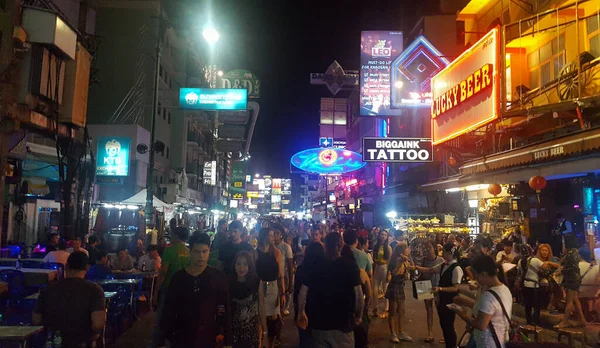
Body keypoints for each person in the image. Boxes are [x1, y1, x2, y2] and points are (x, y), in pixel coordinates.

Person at [161, 233, 232, 347]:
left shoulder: (218, 277)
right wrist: (164, 337)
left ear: (209, 251)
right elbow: (169, 310)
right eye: (197, 252)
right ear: (190, 251)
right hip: (182, 337)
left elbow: (224, 308)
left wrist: (227, 339)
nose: (201, 256)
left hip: (209, 337)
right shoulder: (178, 278)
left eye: (204, 251)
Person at [297, 232, 364, 348]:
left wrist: (301, 311)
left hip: (320, 325)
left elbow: (303, 291)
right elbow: (358, 294)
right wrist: (359, 315)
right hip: (344, 326)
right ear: (341, 245)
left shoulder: (316, 265)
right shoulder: (350, 266)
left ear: (325, 246)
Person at [33, 252, 106, 346]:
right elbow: (98, 324)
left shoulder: (48, 289)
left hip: (54, 341)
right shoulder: (95, 290)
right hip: (82, 341)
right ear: (87, 268)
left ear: (66, 266)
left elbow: (36, 320)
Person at [452, 255, 512, 348]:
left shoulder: (488, 296)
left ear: (483, 274)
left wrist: (461, 313)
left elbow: (480, 324)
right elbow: (486, 310)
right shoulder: (504, 289)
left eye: (476, 275)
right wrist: (465, 302)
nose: (476, 279)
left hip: (488, 343)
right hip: (500, 341)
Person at [151, 226, 190, 348]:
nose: (170, 237)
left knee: (162, 317)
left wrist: (156, 291)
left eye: (172, 235)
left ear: (177, 236)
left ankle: (158, 343)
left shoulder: (170, 250)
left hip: (169, 288)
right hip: (184, 290)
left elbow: (163, 273)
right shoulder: (189, 252)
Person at [256, 227, 285, 348]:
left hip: (273, 287)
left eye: (273, 235)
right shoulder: (255, 253)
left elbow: (280, 274)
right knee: (260, 317)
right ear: (263, 237)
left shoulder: (276, 252)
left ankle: (271, 343)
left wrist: (282, 293)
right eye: (270, 235)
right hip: (259, 287)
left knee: (273, 318)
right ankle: (261, 342)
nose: (272, 238)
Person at [433, 242, 464, 348]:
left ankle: (452, 345)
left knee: (449, 325)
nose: (442, 253)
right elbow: (431, 270)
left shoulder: (456, 268)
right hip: (442, 299)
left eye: (444, 251)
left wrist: (440, 289)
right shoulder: (444, 265)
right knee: (444, 324)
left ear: (449, 252)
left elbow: (456, 288)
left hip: (450, 300)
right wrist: (416, 267)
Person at [230, 251, 263, 347]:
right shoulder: (229, 283)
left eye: (245, 264)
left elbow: (261, 307)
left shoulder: (256, 282)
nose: (241, 268)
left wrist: (264, 331)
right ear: (234, 265)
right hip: (234, 332)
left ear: (250, 266)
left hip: (252, 331)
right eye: (238, 264)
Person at [341, 245, 372, 348]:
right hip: (358, 310)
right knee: (360, 340)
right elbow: (369, 294)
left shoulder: (336, 271)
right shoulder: (361, 272)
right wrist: (365, 308)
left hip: (343, 311)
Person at [294, 242, 324, 347]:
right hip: (319, 311)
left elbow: (298, 291)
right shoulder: (324, 270)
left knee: (305, 340)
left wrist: (298, 310)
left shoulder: (302, 269)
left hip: (303, 309)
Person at [414, 241, 444, 342]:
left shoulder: (440, 260)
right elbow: (422, 273)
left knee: (440, 311)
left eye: (429, 248)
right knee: (429, 310)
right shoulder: (424, 260)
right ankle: (430, 333)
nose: (427, 250)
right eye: (425, 248)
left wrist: (417, 268)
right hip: (426, 286)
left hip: (437, 286)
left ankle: (444, 334)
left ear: (434, 248)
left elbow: (432, 270)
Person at [555, 234, 586, 328]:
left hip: (572, 280)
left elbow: (570, 269)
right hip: (575, 279)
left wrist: (560, 271)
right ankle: (582, 320)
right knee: (575, 300)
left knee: (569, 301)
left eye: (564, 242)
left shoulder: (570, 254)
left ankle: (565, 321)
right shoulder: (575, 252)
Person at [385, 242, 413, 343]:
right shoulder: (398, 259)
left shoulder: (405, 259)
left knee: (401, 310)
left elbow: (412, 268)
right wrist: (401, 262)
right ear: (402, 250)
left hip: (400, 286)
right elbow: (394, 272)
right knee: (393, 311)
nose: (409, 250)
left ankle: (401, 332)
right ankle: (393, 333)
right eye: (407, 249)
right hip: (394, 286)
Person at [517, 244, 544, 325]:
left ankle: (529, 321)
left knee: (527, 305)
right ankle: (536, 321)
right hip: (534, 285)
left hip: (525, 285)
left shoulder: (520, 261)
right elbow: (545, 267)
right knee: (536, 305)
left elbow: (519, 273)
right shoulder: (535, 260)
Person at [372, 229, 392, 318]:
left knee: (385, 289)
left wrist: (389, 273)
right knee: (375, 289)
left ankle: (386, 309)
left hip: (385, 268)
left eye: (385, 235)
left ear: (387, 237)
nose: (383, 236)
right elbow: (373, 259)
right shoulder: (375, 246)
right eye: (382, 234)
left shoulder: (388, 248)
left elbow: (390, 262)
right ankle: (375, 308)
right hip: (377, 267)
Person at [274, 226, 294, 316]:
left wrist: (290, 283)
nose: (275, 235)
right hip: (272, 277)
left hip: (283, 277)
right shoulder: (270, 246)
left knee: (282, 300)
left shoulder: (286, 247)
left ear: (281, 234)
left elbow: (290, 266)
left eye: (277, 233)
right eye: (274, 233)